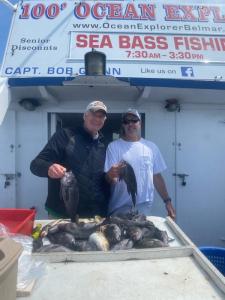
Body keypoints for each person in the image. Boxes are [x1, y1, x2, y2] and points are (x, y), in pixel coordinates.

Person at [30, 100, 109, 218]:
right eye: (93, 114)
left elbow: (103, 179)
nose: (97, 119)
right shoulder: (64, 135)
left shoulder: (104, 144)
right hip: (61, 213)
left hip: (94, 214)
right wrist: (49, 168)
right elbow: (35, 164)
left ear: (104, 120)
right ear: (85, 116)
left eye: (101, 116)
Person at [104, 108, 176, 220]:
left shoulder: (151, 147)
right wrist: (111, 175)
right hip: (119, 207)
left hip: (143, 207)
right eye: (126, 121)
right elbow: (110, 180)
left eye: (134, 120)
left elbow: (156, 176)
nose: (130, 124)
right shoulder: (113, 147)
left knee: (139, 235)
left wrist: (167, 201)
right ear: (123, 125)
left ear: (140, 123)